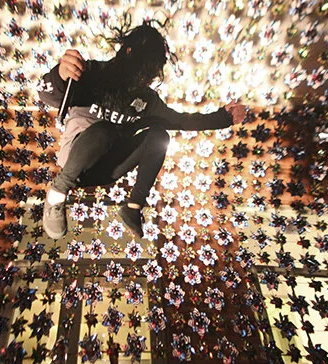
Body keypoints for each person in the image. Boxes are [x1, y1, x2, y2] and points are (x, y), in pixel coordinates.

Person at [38, 21, 246, 239]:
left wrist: (223, 117)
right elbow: (48, 95)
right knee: (105, 130)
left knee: (159, 136)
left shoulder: (147, 100)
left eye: (149, 76)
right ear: (128, 53)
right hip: (75, 163)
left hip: (108, 169)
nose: (144, 80)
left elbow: (182, 121)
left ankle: (134, 207)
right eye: (143, 72)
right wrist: (61, 74)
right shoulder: (93, 73)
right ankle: (57, 193)